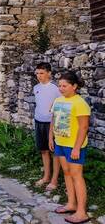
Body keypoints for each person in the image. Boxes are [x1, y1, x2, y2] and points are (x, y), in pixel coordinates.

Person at [49, 71, 91, 224]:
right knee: (66, 173)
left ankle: (82, 212)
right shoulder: (58, 100)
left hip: (74, 146)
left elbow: (84, 127)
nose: (61, 88)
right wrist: (51, 138)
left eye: (64, 86)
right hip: (60, 143)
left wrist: (76, 148)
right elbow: (53, 121)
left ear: (74, 86)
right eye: (59, 85)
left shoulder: (80, 103)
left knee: (76, 175)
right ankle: (71, 204)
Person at [33, 62, 61, 191]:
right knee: (43, 150)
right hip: (39, 121)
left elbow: (60, 107)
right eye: (37, 73)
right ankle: (46, 176)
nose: (39, 76)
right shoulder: (36, 87)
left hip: (52, 123)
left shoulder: (56, 88)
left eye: (42, 73)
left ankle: (54, 180)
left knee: (55, 151)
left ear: (49, 73)